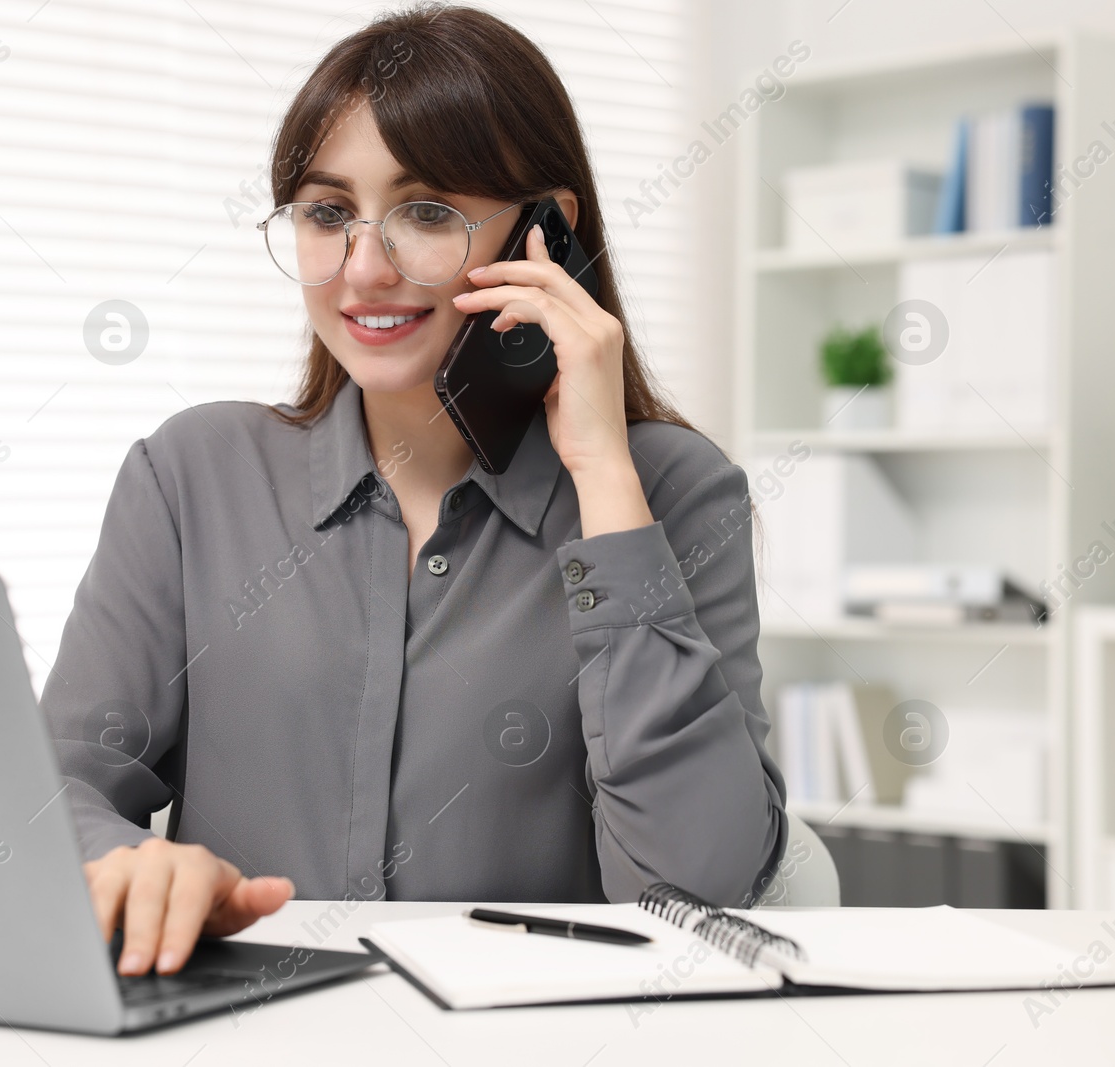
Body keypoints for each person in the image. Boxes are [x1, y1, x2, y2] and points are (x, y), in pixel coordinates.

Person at [42, 2, 787, 979]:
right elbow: (48, 791)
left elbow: (698, 890)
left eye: (426, 212)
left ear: (544, 239)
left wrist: (604, 478)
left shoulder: (670, 493)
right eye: (326, 212)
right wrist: (130, 866)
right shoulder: (190, 476)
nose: (362, 270)